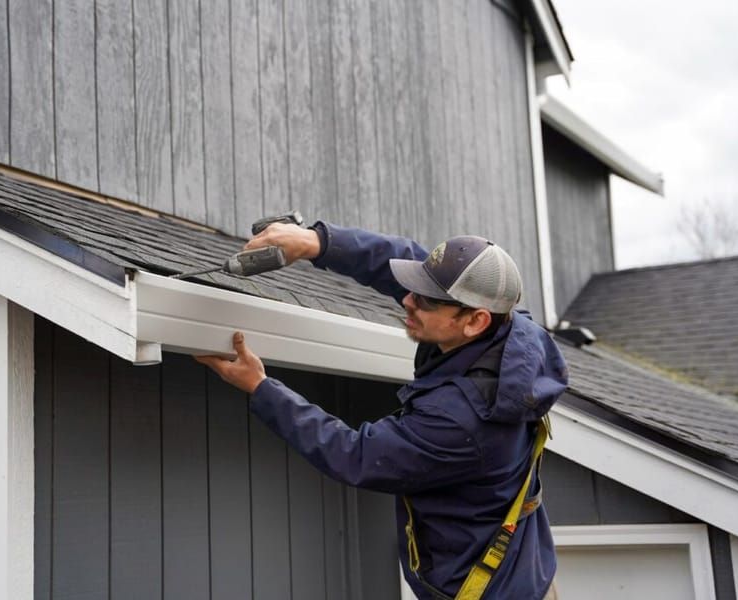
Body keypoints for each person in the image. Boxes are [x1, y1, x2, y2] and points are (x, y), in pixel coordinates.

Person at [195, 221, 567, 600]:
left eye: (425, 300)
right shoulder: (515, 331)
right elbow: (404, 259)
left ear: (474, 321)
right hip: (525, 573)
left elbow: (356, 454)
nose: (408, 300)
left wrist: (260, 387)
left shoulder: (462, 420)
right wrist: (316, 242)